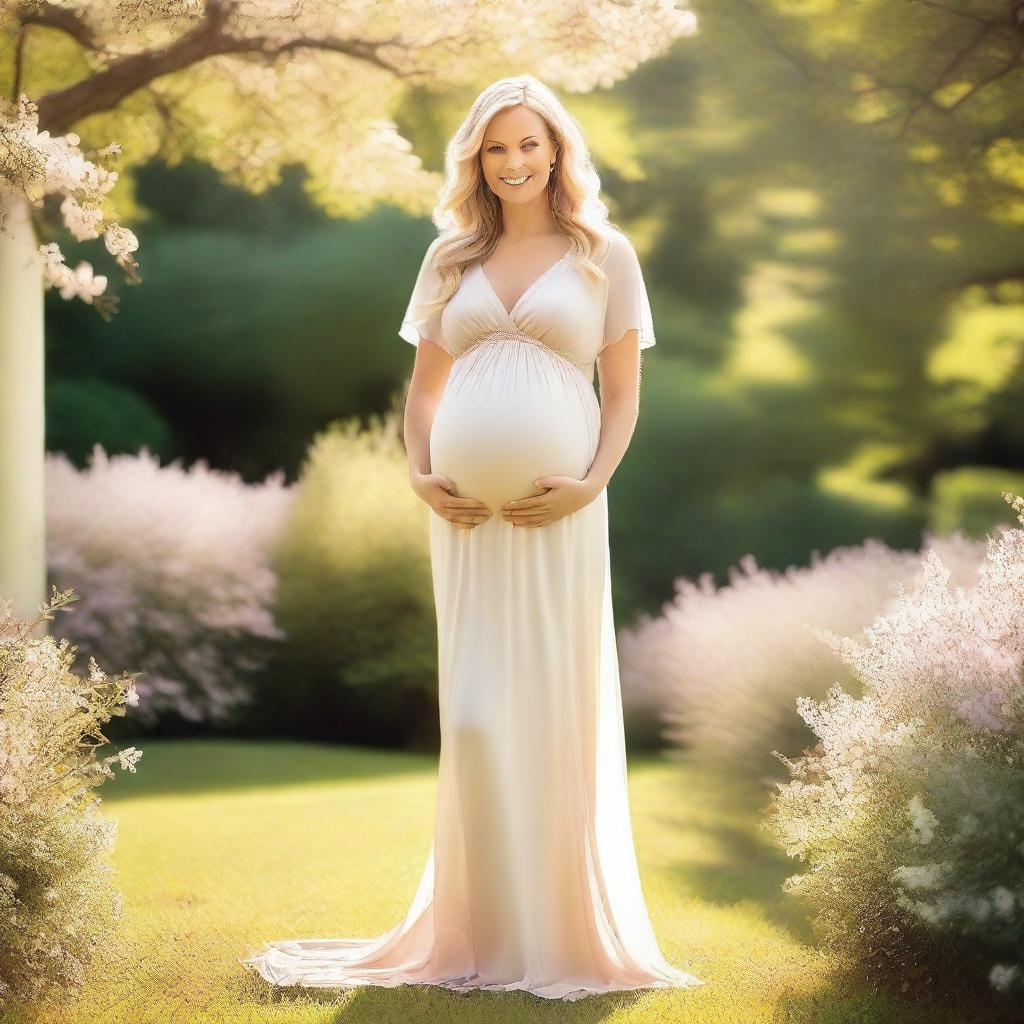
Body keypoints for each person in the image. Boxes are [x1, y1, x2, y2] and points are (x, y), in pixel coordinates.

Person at [240, 74, 706, 1002]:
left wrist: (588, 486)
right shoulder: (449, 256)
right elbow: (424, 391)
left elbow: (623, 397)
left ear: (559, 150)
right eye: (497, 148)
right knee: (480, 717)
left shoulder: (603, 254)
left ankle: (559, 932)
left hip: (559, 513)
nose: (516, 162)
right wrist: (418, 473)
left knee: (548, 708)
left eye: (531, 144)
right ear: (477, 161)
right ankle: (481, 927)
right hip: (464, 522)